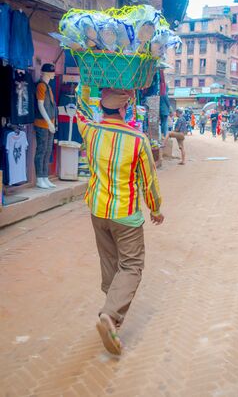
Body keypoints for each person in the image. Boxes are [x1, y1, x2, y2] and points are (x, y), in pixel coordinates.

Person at [76, 88, 164, 355]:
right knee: (132, 266)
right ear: (124, 109)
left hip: (98, 211)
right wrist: (155, 208)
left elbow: (79, 108)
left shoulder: (89, 130)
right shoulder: (137, 139)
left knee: (110, 262)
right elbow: (149, 179)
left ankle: (111, 311)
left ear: (102, 108)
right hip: (125, 214)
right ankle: (110, 315)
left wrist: (87, 84)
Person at [34, 63, 57, 189]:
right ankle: (39, 178)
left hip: (50, 123)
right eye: (51, 72)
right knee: (41, 150)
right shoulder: (41, 86)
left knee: (48, 150)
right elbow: (40, 105)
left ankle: (44, 176)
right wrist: (49, 122)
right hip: (42, 123)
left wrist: (52, 123)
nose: (53, 74)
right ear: (46, 73)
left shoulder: (48, 86)